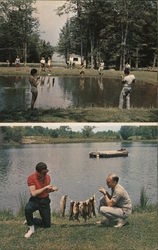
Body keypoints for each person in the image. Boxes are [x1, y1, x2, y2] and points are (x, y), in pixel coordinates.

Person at [24, 162, 58, 238]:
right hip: (35, 200)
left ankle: (31, 220)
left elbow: (46, 191)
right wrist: (45, 188)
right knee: (28, 209)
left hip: (45, 200)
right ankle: (31, 229)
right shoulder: (31, 178)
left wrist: (52, 190)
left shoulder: (47, 177)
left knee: (47, 225)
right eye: (43, 173)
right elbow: (33, 193)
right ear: (37, 172)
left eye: (46, 172)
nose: (45, 174)